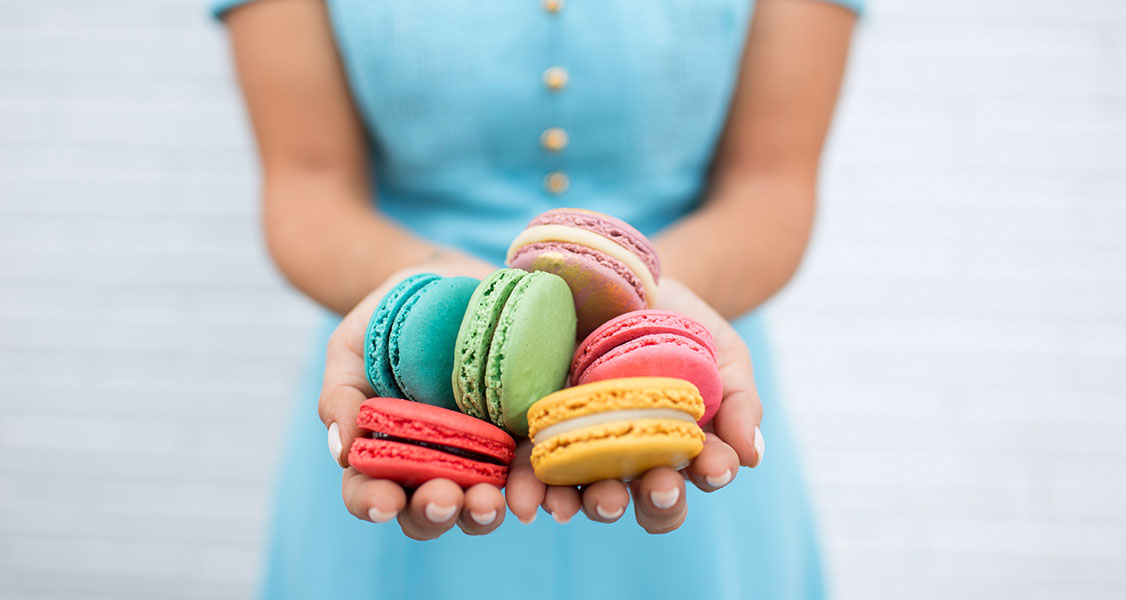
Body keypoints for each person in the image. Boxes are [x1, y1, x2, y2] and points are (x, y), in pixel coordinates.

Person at [215, 0, 860, 598]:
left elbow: (772, 187)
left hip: (680, 394)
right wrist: (441, 287)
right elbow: (306, 185)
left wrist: (645, 315)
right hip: (409, 386)